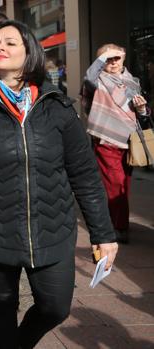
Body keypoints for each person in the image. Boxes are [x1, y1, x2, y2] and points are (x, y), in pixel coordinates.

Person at [0, 20, 119, 349]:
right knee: (3, 304)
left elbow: (84, 174)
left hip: (52, 225)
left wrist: (103, 234)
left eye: (10, 42)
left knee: (55, 306)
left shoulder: (58, 106)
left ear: (29, 53)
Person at [83, 43, 150, 244]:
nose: (112, 62)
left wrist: (142, 109)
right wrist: (106, 55)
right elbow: (89, 76)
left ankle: (118, 221)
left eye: (116, 58)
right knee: (115, 184)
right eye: (107, 59)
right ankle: (119, 227)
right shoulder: (96, 81)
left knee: (124, 186)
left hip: (129, 141)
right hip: (106, 140)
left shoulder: (133, 82)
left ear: (124, 59)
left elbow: (142, 116)